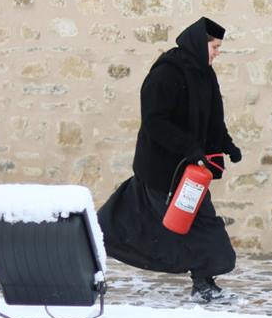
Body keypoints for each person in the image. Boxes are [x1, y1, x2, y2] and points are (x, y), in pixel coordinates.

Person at [98, 17, 242, 303]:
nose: (217, 53)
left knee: (155, 219)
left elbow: (214, 117)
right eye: (214, 46)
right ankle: (88, 242)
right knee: (190, 221)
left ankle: (203, 280)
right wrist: (189, 147)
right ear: (199, 43)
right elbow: (155, 121)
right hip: (161, 169)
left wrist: (227, 144)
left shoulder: (205, 74)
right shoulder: (166, 73)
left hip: (188, 170)